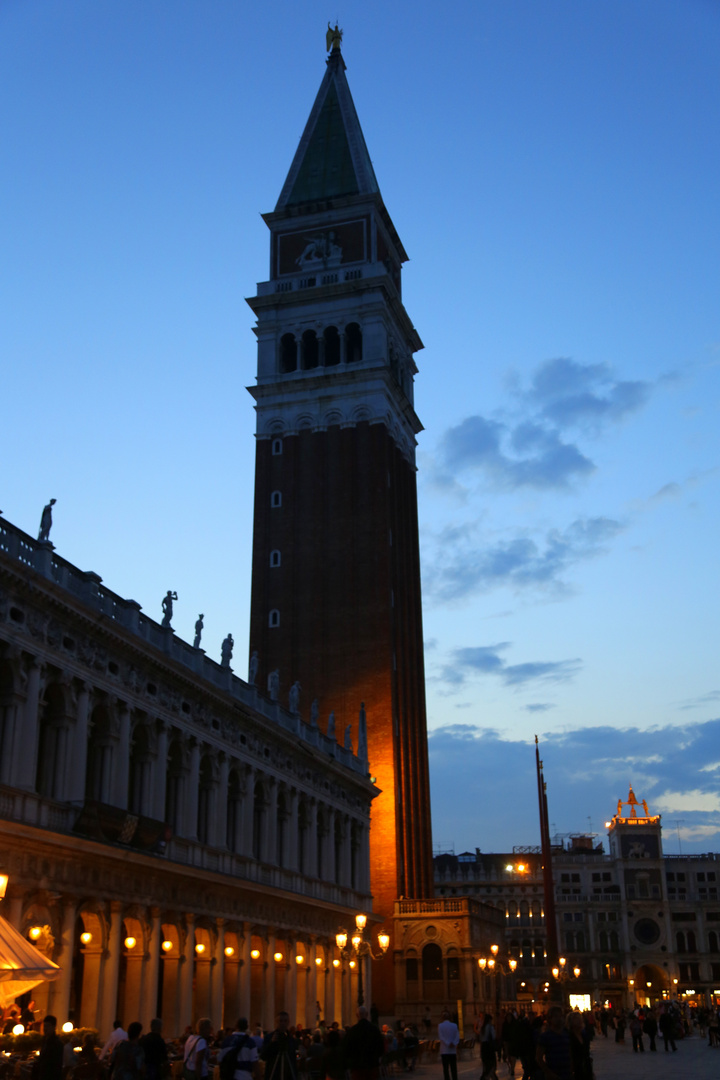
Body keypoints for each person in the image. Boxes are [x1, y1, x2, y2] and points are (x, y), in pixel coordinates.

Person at [341, 1005, 385, 1080]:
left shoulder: (352, 1031)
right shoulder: (374, 1030)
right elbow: (381, 1047)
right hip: (372, 1065)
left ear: (357, 1015)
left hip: (357, 1067)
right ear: (367, 1014)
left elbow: (346, 1049)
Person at [536, 1007, 572, 1080]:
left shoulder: (567, 1034)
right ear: (550, 1019)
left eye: (561, 1016)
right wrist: (549, 1073)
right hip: (553, 1074)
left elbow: (571, 1052)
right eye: (555, 1016)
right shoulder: (545, 1036)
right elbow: (538, 1057)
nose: (559, 1019)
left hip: (567, 1074)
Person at [261, 1012, 298, 1080]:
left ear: (288, 1022)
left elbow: (293, 1060)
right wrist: (272, 1043)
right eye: (280, 1021)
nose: (283, 1023)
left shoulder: (291, 1039)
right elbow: (263, 1056)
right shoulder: (269, 1037)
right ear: (276, 1022)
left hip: (288, 1074)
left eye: (285, 1021)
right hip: (274, 1073)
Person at [33, 1014, 63, 1080]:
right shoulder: (44, 1040)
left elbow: (55, 1065)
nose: (45, 1029)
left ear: (54, 1027)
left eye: (48, 1026)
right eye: (44, 1026)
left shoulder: (57, 1043)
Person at [438, 1010, 459, 1080]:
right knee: (453, 1068)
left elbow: (441, 1037)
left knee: (446, 1069)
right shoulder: (454, 1025)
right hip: (452, 1050)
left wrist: (447, 1043)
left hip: (444, 1050)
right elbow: (457, 1036)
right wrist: (453, 1043)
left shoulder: (440, 1026)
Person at [476, 1014, 497, 1080]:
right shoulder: (490, 1027)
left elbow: (480, 1037)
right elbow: (493, 1036)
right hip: (489, 1048)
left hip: (484, 1048)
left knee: (486, 1066)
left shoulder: (482, 1027)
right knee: (491, 1066)